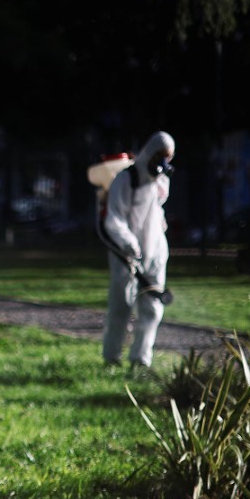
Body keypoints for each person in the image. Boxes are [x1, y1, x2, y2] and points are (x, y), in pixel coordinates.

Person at [101, 130, 176, 369]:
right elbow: (114, 219)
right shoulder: (127, 179)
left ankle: (141, 359)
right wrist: (128, 243)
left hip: (155, 253)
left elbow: (156, 211)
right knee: (121, 305)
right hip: (127, 255)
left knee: (152, 308)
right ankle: (111, 357)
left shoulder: (161, 181)